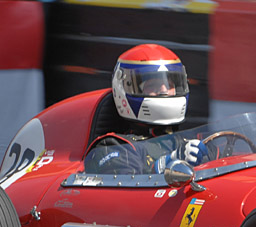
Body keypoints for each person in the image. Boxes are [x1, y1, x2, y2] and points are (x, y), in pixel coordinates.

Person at [83, 43, 209, 174]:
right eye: (153, 85)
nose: (164, 91)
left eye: (170, 85)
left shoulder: (183, 140)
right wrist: (167, 162)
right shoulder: (113, 147)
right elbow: (128, 188)